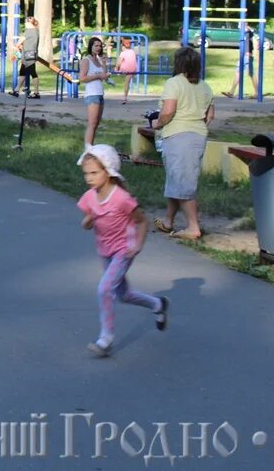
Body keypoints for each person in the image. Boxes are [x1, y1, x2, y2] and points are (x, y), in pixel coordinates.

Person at [77, 144, 168, 358]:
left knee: (104, 289)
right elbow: (85, 225)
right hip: (105, 249)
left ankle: (106, 338)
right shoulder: (90, 197)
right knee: (124, 295)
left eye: (94, 173)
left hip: (123, 250)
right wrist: (89, 219)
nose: (89, 178)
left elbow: (142, 221)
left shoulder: (121, 198)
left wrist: (137, 246)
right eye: (86, 173)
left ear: (108, 172)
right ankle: (158, 304)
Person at [151, 47, 215, 240]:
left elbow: (168, 110)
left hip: (178, 135)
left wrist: (158, 123)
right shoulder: (205, 86)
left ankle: (193, 227)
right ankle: (169, 220)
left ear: (178, 63)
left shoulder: (174, 83)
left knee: (183, 182)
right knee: (176, 178)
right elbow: (209, 116)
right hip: (198, 135)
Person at [79, 36, 111, 147]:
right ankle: (88, 150)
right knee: (92, 124)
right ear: (90, 46)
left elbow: (105, 78)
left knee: (96, 124)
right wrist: (97, 76)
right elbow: (82, 78)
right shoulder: (86, 60)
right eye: (96, 46)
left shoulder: (99, 60)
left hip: (100, 94)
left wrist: (104, 65)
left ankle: (91, 146)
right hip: (92, 95)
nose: (98, 48)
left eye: (100, 46)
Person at [222, 26, 258, 98]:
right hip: (242, 56)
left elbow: (254, 42)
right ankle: (231, 92)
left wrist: (250, 52)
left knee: (251, 73)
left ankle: (257, 92)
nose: (238, 26)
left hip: (247, 56)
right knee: (238, 73)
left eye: (240, 24)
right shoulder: (243, 33)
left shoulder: (248, 32)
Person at [12, 16, 41, 98]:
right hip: (32, 54)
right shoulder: (36, 31)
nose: (24, 24)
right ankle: (16, 90)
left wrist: (17, 46)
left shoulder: (28, 32)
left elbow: (19, 42)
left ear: (28, 22)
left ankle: (36, 93)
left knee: (33, 73)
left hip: (28, 55)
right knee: (22, 72)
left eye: (25, 22)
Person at [115, 37, 139, 103]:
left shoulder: (123, 53)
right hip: (133, 69)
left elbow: (119, 62)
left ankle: (125, 97)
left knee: (126, 83)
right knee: (127, 81)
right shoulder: (133, 52)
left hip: (126, 69)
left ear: (123, 46)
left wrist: (116, 69)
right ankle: (125, 96)